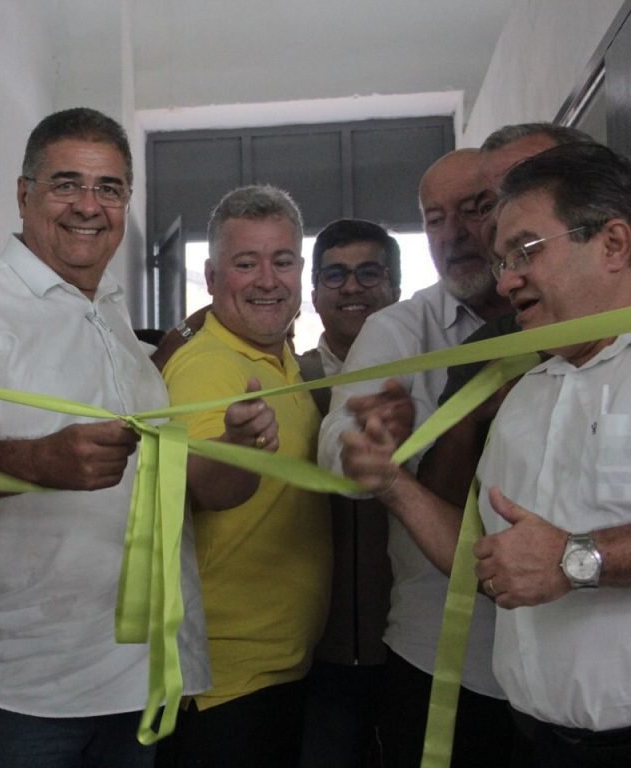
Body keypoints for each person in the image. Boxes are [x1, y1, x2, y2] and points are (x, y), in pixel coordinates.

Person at [0, 107, 275, 768]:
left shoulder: (113, 319)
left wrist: (241, 449)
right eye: (67, 184)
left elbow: (190, 490)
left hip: (139, 680)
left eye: (109, 188)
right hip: (20, 692)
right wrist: (40, 461)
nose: (89, 206)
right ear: (24, 195)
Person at [340, 141, 631, 768]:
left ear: (613, 244)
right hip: (539, 742)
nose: (506, 280)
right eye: (503, 260)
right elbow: (484, 558)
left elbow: (557, 560)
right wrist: (392, 483)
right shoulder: (522, 392)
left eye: (527, 250)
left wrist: (577, 559)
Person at [317, 148, 515, 767]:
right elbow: (335, 448)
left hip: (572, 670)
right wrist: (368, 442)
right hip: (445, 659)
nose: (454, 235)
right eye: (434, 219)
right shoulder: (399, 331)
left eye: (476, 208)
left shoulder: (581, 326)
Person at [154, 184, 328, 767]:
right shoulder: (207, 365)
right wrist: (235, 445)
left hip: (276, 668)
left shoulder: (284, 362)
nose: (267, 280)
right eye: (245, 263)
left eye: (283, 261)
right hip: (226, 683)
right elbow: (207, 485)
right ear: (210, 278)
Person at [418, 123, 595, 509]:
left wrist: (577, 545)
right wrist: (468, 417)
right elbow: (445, 507)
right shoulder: (490, 350)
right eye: (487, 204)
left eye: (528, 184)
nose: (504, 214)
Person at [296, 219, 401, 768]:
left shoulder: (423, 381)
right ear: (314, 293)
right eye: (335, 275)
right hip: (311, 648)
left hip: (404, 645)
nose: (352, 287)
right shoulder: (288, 382)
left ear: (396, 288)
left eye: (369, 273)